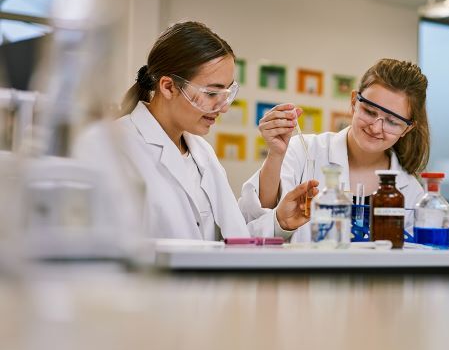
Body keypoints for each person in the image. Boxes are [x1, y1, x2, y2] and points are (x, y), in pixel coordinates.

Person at [81, 21, 315, 240]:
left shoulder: (202, 152)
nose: (222, 108)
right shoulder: (109, 146)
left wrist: (279, 221)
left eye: (227, 94)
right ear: (168, 86)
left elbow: (228, 240)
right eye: (212, 93)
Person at [239, 58, 430, 242]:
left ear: (407, 128)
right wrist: (275, 155)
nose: (375, 127)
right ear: (354, 101)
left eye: (392, 122)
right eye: (370, 112)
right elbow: (254, 220)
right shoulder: (304, 151)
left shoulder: (411, 190)